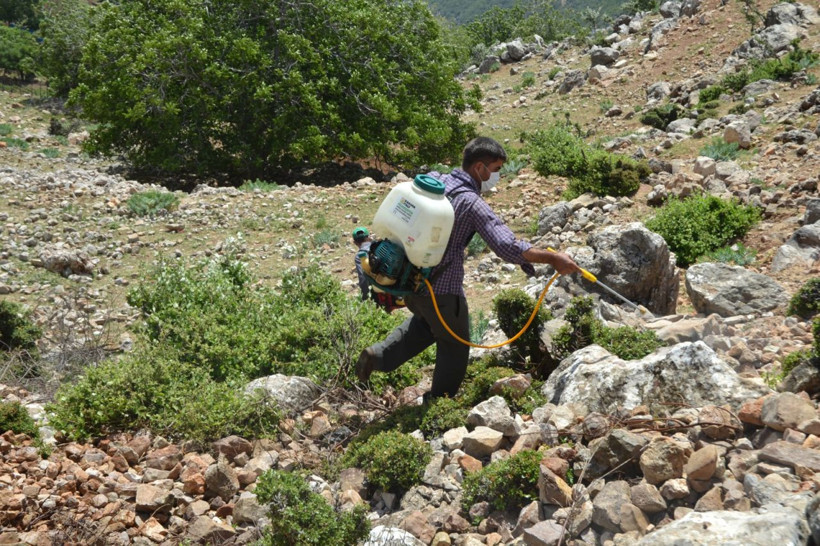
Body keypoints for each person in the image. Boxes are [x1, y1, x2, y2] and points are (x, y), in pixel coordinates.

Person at [356, 136, 582, 401]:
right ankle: (440, 403)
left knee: (426, 325)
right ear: (479, 168)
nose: (496, 177)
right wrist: (553, 258)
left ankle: (377, 356)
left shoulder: (434, 179)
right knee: (455, 343)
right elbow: (506, 245)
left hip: (409, 281)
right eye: (495, 170)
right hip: (441, 290)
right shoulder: (471, 203)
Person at [353, 226, 405, 313]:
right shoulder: (380, 246)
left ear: (355, 243)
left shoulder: (360, 256)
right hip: (396, 288)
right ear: (369, 237)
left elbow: (363, 280)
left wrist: (366, 299)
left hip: (379, 293)